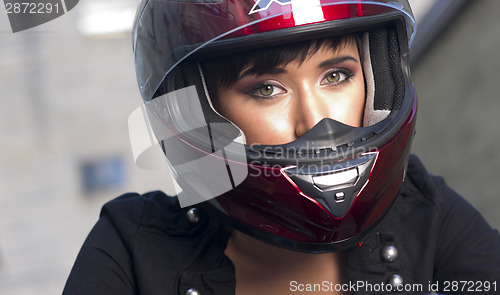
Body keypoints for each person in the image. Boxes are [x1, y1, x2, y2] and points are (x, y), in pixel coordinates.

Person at [63, 1, 500, 294]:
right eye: (267, 88)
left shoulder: (428, 217)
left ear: (376, 80)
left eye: (336, 76)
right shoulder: (133, 247)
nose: (315, 120)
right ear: (199, 113)